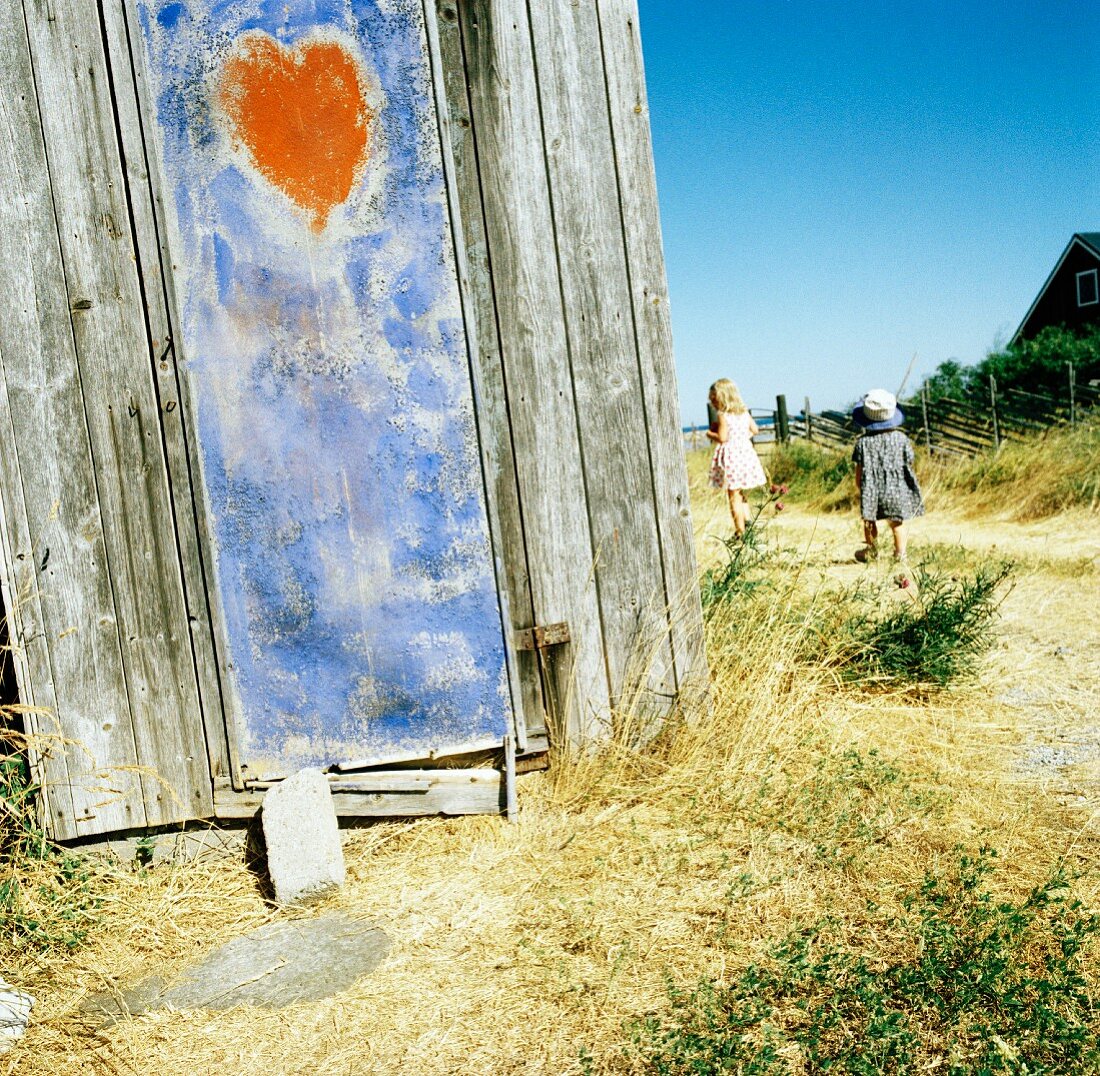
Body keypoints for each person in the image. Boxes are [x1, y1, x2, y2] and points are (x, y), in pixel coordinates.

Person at [851, 388, 924, 563]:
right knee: (897, 523)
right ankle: (900, 554)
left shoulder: (862, 442)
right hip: (896, 487)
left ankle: (872, 550)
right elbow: (909, 460)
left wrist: (859, 484)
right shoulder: (901, 438)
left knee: (869, 521)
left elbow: (859, 468)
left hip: (871, 488)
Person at [707, 379, 766, 537]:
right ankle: (748, 524)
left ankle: (740, 531)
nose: (712, 401)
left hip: (732, 457)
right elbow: (755, 429)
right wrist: (742, 438)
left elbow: (723, 437)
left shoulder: (723, 415)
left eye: (714, 398)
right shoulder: (743, 412)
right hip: (745, 454)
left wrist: (710, 433)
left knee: (733, 495)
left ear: (722, 397)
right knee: (740, 493)